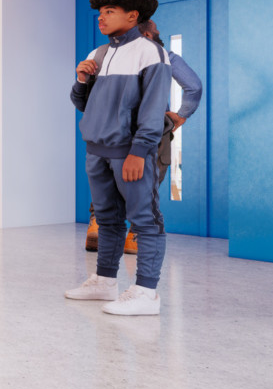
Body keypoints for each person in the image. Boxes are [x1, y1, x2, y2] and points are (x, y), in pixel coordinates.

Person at [66, 0, 171, 316]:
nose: (102, 18)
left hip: (129, 152)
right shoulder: (98, 54)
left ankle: (146, 293)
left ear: (132, 15)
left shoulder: (150, 52)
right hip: (96, 150)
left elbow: (154, 108)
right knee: (108, 219)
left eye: (110, 11)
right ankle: (104, 281)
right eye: (100, 12)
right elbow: (84, 105)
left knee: (145, 220)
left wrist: (139, 151)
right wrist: (82, 80)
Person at [84, 19, 203, 252]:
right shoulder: (164, 56)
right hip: (150, 129)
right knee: (148, 177)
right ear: (147, 35)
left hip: (110, 130)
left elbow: (87, 94)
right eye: (156, 31)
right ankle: (135, 236)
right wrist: (181, 115)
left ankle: (96, 225)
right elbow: (194, 86)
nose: (159, 34)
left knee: (106, 176)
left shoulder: (104, 56)